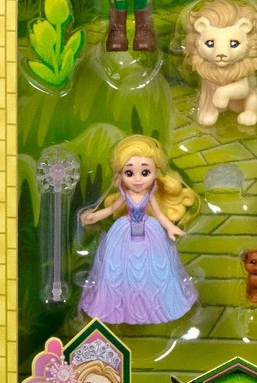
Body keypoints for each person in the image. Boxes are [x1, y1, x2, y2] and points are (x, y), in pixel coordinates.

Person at [79, 135, 198, 324]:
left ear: (156, 172)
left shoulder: (150, 194)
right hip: (124, 232)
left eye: (145, 172)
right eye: (129, 173)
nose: (137, 179)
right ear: (120, 174)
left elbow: (159, 215)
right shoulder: (124, 194)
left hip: (150, 231)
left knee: (157, 268)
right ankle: (119, 305)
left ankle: (158, 304)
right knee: (117, 267)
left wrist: (169, 227)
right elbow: (110, 209)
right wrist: (94, 216)